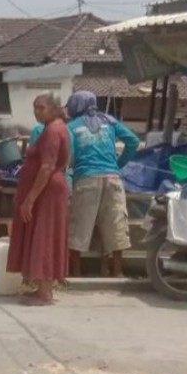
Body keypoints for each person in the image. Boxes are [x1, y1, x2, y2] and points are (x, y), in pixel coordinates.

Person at [65, 90, 141, 278]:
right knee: (116, 224)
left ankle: (75, 273)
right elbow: (133, 141)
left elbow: (69, 158)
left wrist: (69, 180)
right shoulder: (110, 121)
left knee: (79, 227)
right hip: (112, 178)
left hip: (86, 179)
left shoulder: (72, 126)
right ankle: (117, 271)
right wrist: (118, 164)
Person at [8, 94, 71, 305]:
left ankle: (45, 294)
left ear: (54, 109)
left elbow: (47, 167)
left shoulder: (53, 130)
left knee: (44, 236)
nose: (36, 111)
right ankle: (42, 289)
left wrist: (30, 199)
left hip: (48, 191)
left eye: (41, 108)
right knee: (41, 235)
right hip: (48, 190)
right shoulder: (53, 127)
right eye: (35, 107)